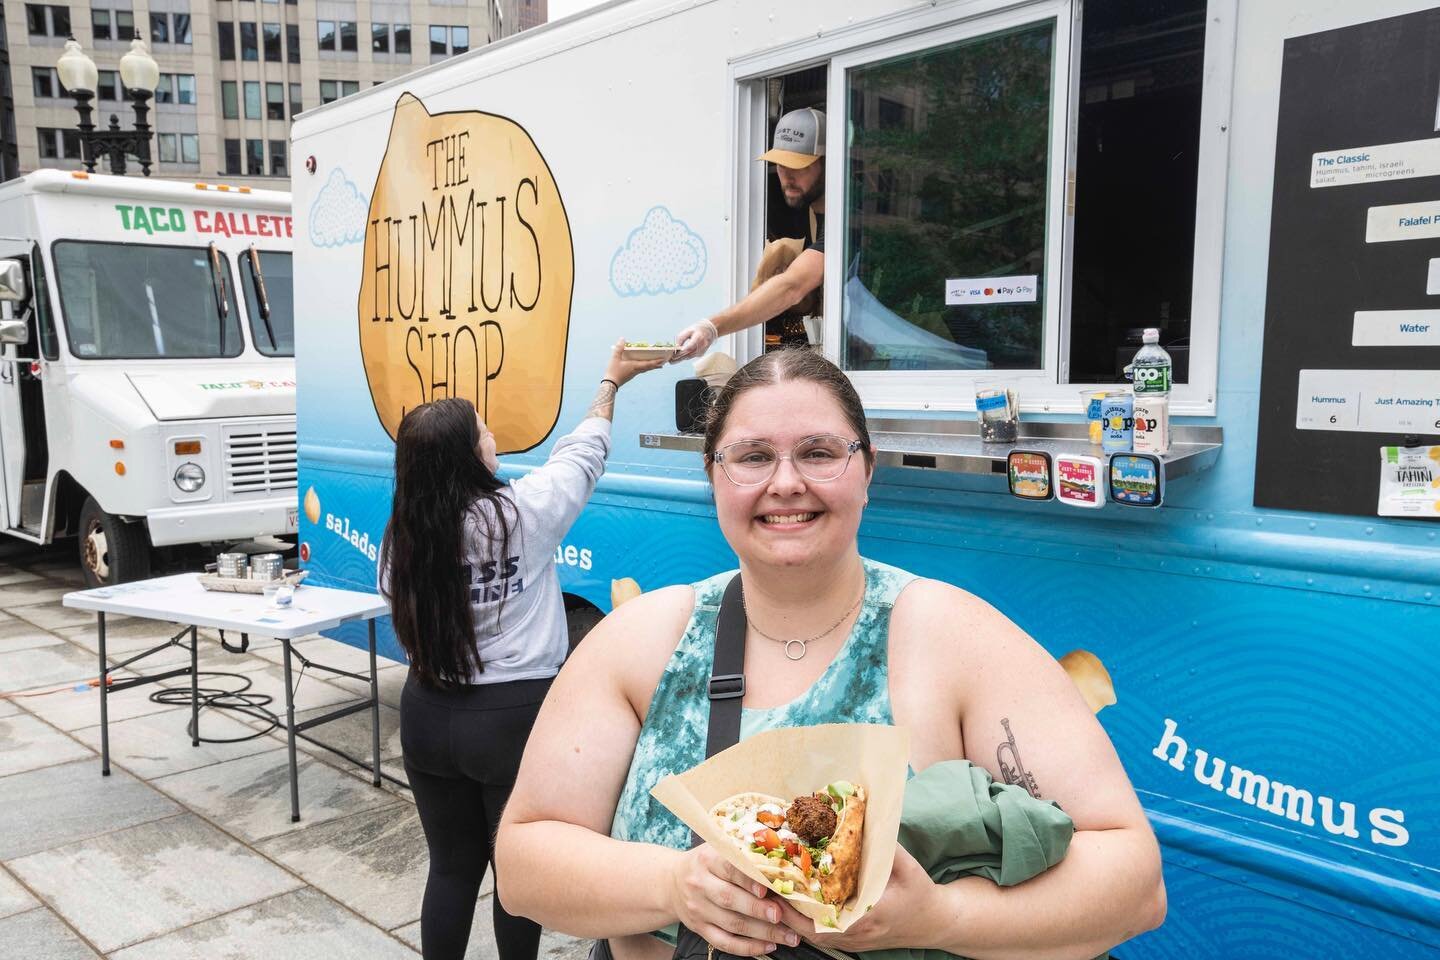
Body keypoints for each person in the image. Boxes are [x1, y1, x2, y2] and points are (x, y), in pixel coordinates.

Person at [495, 348, 1166, 960]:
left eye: (818, 452)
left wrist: (938, 917)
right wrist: (676, 884)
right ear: (714, 476)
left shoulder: (953, 637)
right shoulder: (643, 640)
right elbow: (524, 867)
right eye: (753, 456)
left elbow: (1134, 883)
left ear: (866, 472)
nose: (786, 482)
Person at [378, 341, 664, 960]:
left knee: (450, 870)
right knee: (517, 876)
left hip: (426, 714)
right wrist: (610, 381)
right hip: (511, 722)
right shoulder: (523, 514)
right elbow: (584, 452)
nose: (490, 433)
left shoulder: (403, 535)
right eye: (481, 428)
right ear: (465, 456)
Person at [672, 108, 828, 361]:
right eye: (780, 164)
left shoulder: (845, 220)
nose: (786, 176)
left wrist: (711, 328)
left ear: (827, 162)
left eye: (798, 165)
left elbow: (792, 287)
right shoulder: (812, 216)